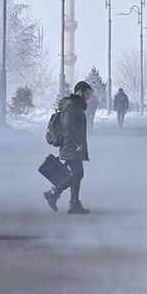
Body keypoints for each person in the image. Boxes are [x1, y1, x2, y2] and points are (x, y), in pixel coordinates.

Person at [43, 81, 92, 214]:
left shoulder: (76, 105)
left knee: (77, 174)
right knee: (77, 174)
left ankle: (74, 203)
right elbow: (68, 125)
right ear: (80, 92)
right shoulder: (72, 106)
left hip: (73, 145)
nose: (89, 97)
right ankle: (53, 193)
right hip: (71, 146)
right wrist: (77, 143)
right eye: (87, 93)